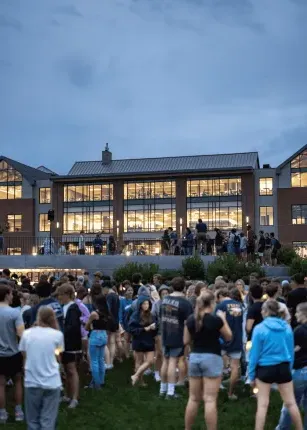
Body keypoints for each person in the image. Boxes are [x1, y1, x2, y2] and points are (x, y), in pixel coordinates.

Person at [248, 300, 303, 430]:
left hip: (265, 369)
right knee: (291, 403)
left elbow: (254, 355)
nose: (261, 312)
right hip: (283, 367)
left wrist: (251, 376)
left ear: (266, 311)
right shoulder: (287, 327)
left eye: (262, 310)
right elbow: (290, 352)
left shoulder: (259, 328)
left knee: (262, 405)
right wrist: (288, 369)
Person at [184, 292, 232, 430]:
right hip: (212, 358)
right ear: (212, 303)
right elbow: (228, 336)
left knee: (193, 398)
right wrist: (223, 319)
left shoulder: (191, 319)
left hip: (195, 358)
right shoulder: (216, 320)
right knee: (210, 400)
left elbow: (186, 341)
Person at [19, 307, 64, 430]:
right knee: (48, 420)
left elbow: (24, 353)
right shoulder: (57, 335)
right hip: (52, 381)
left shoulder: (27, 334)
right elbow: (58, 354)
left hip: (32, 380)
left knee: (32, 420)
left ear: (38, 317)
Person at [160, 277, 193, 398]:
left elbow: (160, 316)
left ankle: (162, 390)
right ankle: (170, 392)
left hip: (165, 333)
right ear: (184, 287)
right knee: (173, 362)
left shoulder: (164, 300)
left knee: (165, 361)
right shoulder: (186, 303)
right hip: (177, 335)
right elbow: (189, 322)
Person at [276, 302, 307, 430]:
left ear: (304, 314)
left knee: (290, 403)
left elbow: (289, 350)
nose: (295, 314)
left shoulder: (299, 330)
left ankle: (283, 428)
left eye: (298, 312)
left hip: (299, 371)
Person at [0, 283, 25, 424]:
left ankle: (2, 414)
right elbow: (21, 333)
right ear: (6, 295)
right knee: (17, 382)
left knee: (1, 384)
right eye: (10, 294)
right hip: (14, 353)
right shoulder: (15, 313)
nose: (12, 296)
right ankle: (18, 411)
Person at [56, 284, 82, 409]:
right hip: (63, 343)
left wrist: (60, 332)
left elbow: (72, 327)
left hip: (71, 344)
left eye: (61, 294)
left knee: (72, 370)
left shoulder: (73, 307)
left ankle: (75, 398)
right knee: (66, 370)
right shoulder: (64, 307)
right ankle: (67, 395)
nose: (59, 297)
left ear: (67, 294)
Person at [216, 287, 243, 400]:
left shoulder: (220, 306)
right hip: (237, 339)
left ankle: (216, 391)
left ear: (220, 296)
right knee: (235, 367)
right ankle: (231, 393)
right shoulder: (239, 305)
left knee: (218, 366)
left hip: (222, 339)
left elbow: (215, 323)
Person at [85, 295, 113, 389]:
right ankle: (101, 380)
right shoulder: (107, 313)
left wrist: (88, 325)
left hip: (95, 335)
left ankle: (96, 384)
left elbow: (87, 326)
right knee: (101, 360)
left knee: (94, 361)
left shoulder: (94, 314)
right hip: (104, 335)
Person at [129, 297, 158, 386]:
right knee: (139, 361)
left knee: (150, 361)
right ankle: (140, 381)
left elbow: (156, 326)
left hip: (149, 340)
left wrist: (154, 327)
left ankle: (135, 376)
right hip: (139, 340)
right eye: (144, 304)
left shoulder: (151, 315)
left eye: (147, 304)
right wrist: (145, 329)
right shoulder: (135, 315)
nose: (146, 305)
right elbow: (132, 329)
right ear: (140, 305)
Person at [152, 285, 171, 382]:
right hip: (159, 332)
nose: (165, 295)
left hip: (169, 332)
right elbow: (153, 318)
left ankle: (164, 372)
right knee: (160, 353)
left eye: (166, 293)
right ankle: (157, 373)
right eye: (163, 294)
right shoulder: (156, 304)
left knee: (166, 353)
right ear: (160, 295)